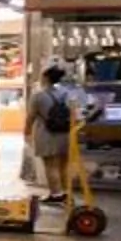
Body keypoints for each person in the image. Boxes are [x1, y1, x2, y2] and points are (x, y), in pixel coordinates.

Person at [22, 63, 77, 191]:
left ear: (46, 78)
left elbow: (31, 117)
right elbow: (74, 113)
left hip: (46, 134)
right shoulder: (67, 94)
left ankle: (56, 194)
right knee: (63, 165)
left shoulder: (38, 95)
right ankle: (66, 194)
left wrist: (27, 133)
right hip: (65, 133)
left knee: (51, 166)